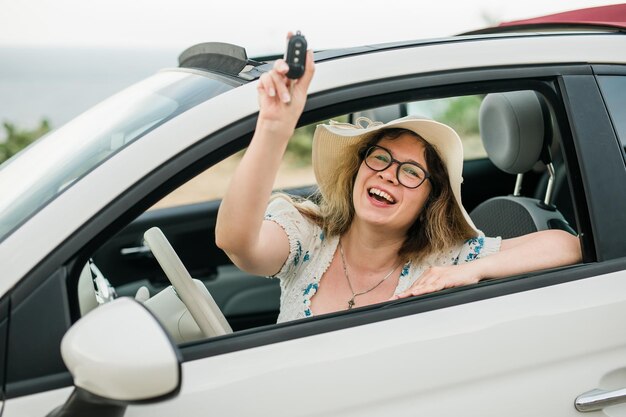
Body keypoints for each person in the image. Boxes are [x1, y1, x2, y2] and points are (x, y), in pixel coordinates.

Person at [215, 41, 582, 323]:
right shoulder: (307, 235)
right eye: (379, 157)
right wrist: (274, 127)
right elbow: (236, 243)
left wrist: (470, 271)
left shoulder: (446, 259)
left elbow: (566, 246)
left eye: (410, 172)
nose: (388, 173)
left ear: (429, 199)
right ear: (357, 171)